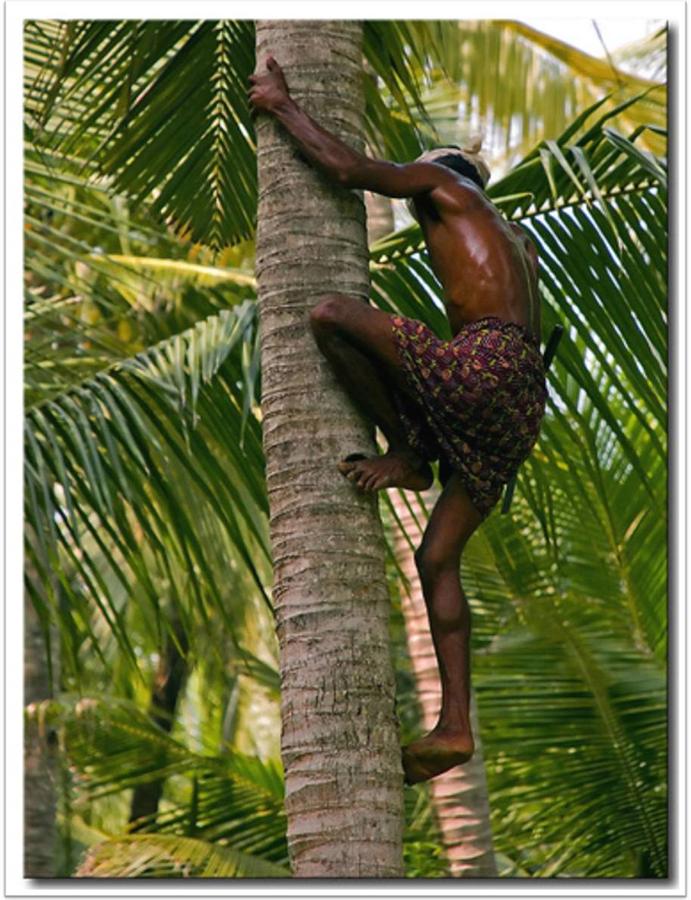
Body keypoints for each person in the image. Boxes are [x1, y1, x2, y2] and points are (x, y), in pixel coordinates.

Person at [249, 56, 547, 784]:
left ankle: (411, 453)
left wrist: (283, 106)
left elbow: (348, 170)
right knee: (436, 557)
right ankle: (453, 729)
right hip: (521, 405)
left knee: (329, 315)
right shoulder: (515, 248)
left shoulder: (446, 184)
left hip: (486, 366)